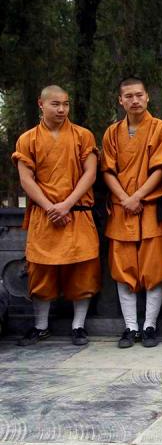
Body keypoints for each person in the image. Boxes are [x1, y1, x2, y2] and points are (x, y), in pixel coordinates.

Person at [12, 85, 101, 346]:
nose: (62, 109)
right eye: (55, 104)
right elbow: (25, 179)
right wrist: (50, 206)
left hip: (77, 213)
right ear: (41, 104)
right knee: (40, 271)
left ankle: (78, 326)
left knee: (82, 270)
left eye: (65, 104)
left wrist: (66, 204)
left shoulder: (83, 136)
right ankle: (40, 326)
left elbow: (90, 174)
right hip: (45, 215)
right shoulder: (27, 139)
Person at [101, 77, 162, 348]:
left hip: (150, 208)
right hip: (122, 210)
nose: (135, 100)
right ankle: (130, 327)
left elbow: (161, 169)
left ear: (147, 97)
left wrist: (137, 196)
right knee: (123, 270)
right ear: (120, 100)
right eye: (128, 96)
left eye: (139, 95)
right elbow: (107, 170)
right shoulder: (111, 133)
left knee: (154, 269)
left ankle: (149, 326)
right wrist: (124, 198)